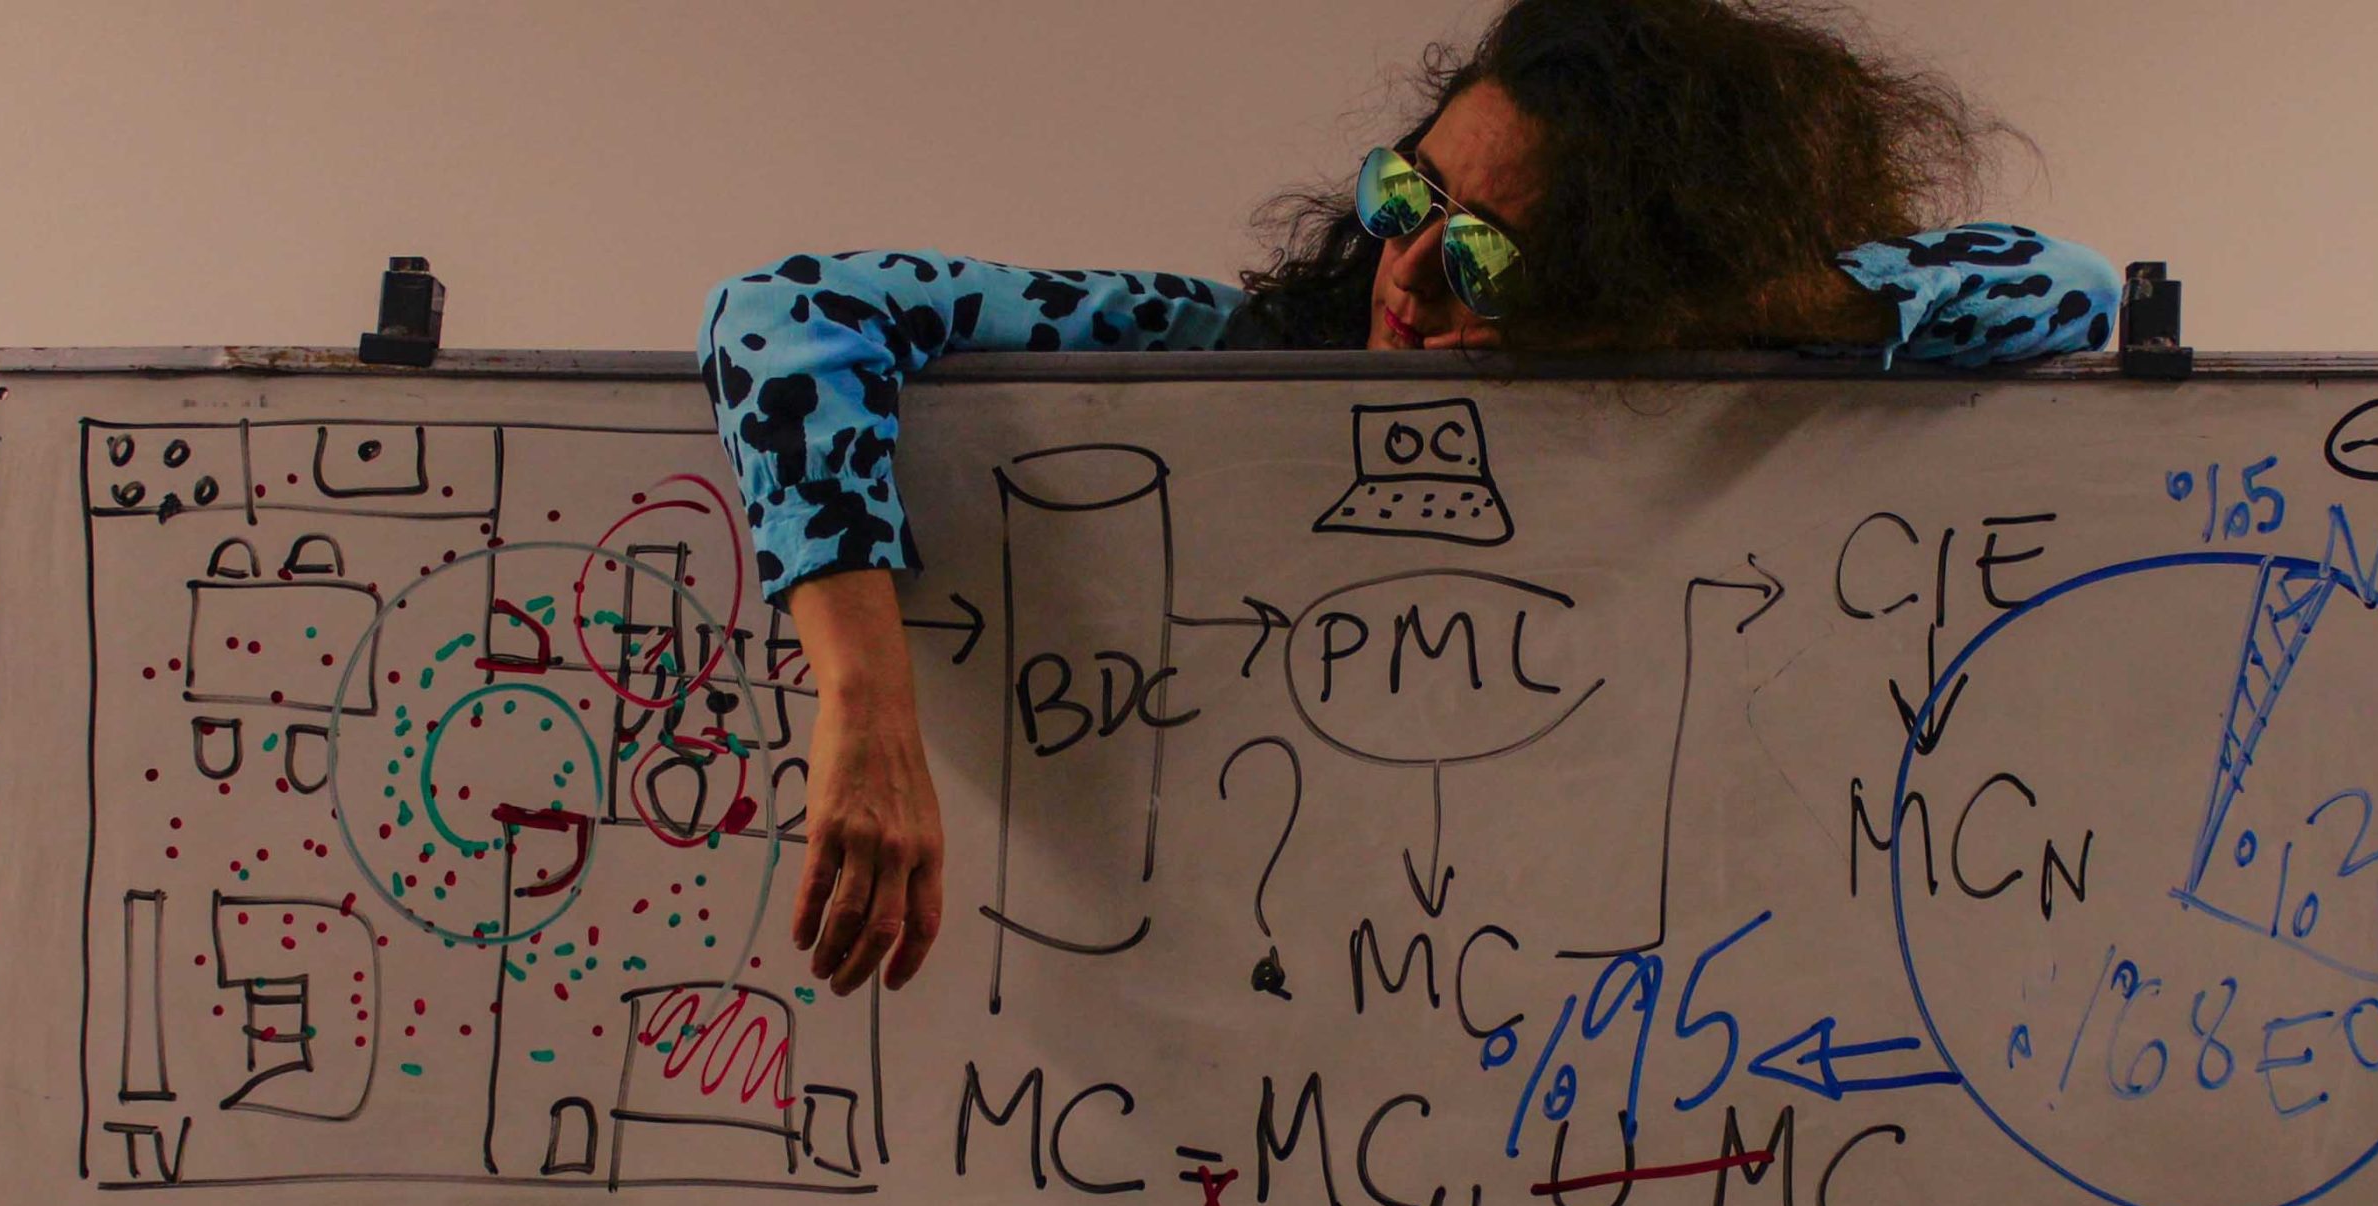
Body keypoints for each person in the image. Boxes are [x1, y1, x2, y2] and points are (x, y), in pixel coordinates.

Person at [697, 0, 2118, 996]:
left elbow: (2071, 288)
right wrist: (866, 699)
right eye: (1407, 196)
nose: (1408, 272)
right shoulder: (1226, 358)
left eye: (1491, 256)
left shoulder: (1723, 444)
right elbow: (789, 311)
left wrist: (1698, 315)